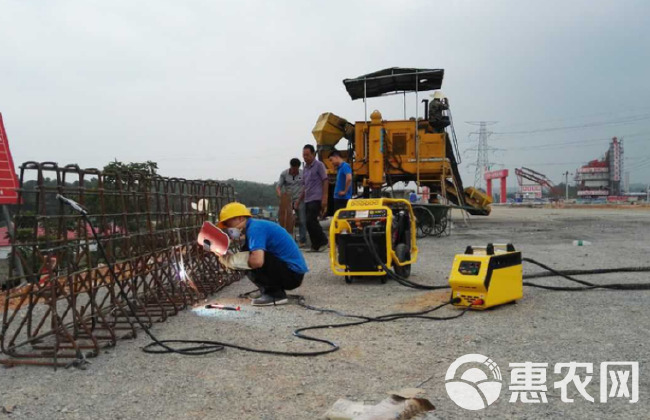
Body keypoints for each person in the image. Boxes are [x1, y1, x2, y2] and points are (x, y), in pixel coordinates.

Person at [217, 202, 308, 306]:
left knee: (252, 259)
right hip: (291, 272)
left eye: (228, 224)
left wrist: (229, 260)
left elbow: (257, 261)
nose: (228, 229)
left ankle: (275, 295)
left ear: (240, 218)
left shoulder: (255, 229)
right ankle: (267, 290)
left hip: (293, 275)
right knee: (246, 252)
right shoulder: (255, 226)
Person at [297, 144, 328, 252]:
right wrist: (298, 200)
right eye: (303, 155)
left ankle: (323, 241)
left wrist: (325, 198)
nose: (305, 157)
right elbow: (304, 186)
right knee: (308, 222)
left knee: (311, 220)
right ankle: (315, 245)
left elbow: (325, 180)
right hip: (307, 198)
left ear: (313, 154)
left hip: (317, 197)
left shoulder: (319, 165)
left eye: (307, 155)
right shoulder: (305, 168)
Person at [276, 158, 307, 247]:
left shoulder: (303, 173)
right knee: (286, 220)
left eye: (296, 169)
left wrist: (298, 201)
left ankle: (302, 241)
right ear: (290, 167)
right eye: (293, 169)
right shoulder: (284, 174)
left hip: (300, 199)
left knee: (302, 220)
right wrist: (281, 197)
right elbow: (278, 187)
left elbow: (305, 187)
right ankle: (286, 240)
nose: (294, 171)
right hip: (288, 200)